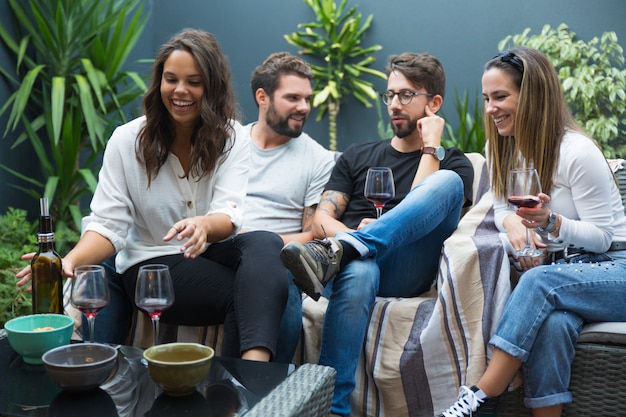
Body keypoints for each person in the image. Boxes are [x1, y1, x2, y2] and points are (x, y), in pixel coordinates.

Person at [16, 28, 289, 362]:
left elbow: (228, 212)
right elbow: (108, 225)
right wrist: (69, 261)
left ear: (213, 87)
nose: (180, 90)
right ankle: (247, 386)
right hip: (152, 262)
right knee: (257, 292)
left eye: (194, 81)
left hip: (211, 250)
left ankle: (254, 380)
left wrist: (204, 226)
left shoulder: (232, 137)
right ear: (159, 82)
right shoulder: (127, 140)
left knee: (267, 243)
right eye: (171, 79)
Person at [279, 52, 474, 417]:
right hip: (348, 268)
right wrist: (353, 232)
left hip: (406, 267)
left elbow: (421, 209)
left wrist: (430, 147)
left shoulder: (453, 162)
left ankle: (351, 248)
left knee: (445, 182)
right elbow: (321, 221)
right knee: (360, 268)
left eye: (407, 95)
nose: (394, 105)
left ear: (434, 104)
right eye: (390, 95)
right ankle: (333, 409)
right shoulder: (357, 155)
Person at [437, 47, 626, 417]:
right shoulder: (505, 146)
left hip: (616, 268)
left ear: (532, 96)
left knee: (539, 283)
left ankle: (478, 396)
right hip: (572, 272)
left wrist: (551, 221)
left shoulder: (576, 151)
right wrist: (510, 220)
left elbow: (604, 237)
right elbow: (504, 203)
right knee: (552, 326)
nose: (491, 108)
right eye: (487, 98)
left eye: (501, 97)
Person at [239, 51, 335, 362]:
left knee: (283, 298)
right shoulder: (228, 142)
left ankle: (267, 397)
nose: (304, 107)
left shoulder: (318, 159)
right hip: (220, 250)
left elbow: (312, 234)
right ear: (262, 97)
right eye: (293, 97)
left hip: (275, 258)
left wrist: (259, 242)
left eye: (307, 98)